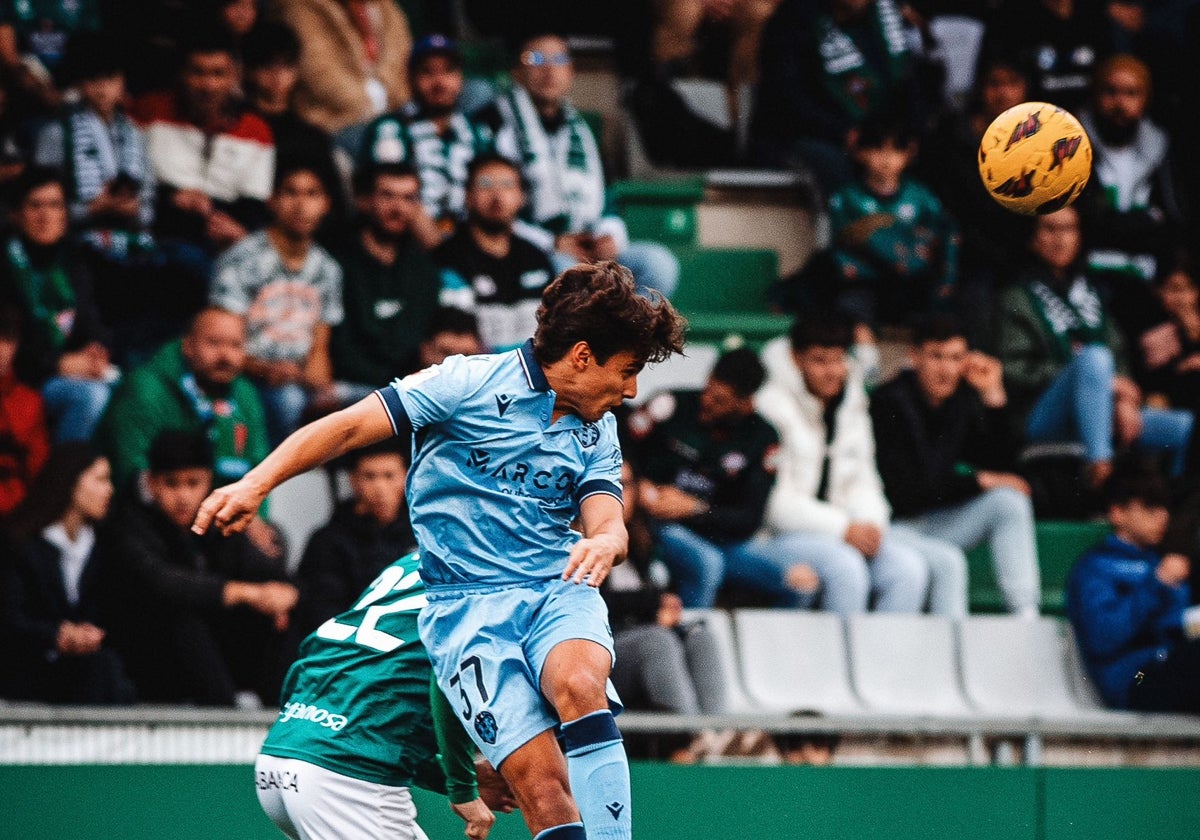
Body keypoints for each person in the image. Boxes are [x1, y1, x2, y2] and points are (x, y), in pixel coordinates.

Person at [194, 261, 688, 840]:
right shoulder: (464, 383)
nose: (631, 391)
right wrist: (257, 482)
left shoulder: (597, 427)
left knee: (579, 685)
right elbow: (349, 427)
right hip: (465, 608)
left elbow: (605, 512)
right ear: (582, 356)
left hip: (554, 588)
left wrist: (607, 538)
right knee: (542, 788)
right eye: (627, 372)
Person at [257, 549, 510, 840]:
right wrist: (462, 786)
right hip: (345, 778)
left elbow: (337, 669)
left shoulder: (419, 558)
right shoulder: (497, 570)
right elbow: (450, 676)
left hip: (285, 750)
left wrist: (453, 779)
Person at [755, 313, 955, 615]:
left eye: (837, 360)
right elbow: (774, 505)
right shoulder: (769, 405)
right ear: (796, 360)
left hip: (840, 532)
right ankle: (840, 662)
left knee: (907, 570)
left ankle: (884, 661)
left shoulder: (852, 402)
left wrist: (871, 525)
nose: (832, 372)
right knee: (845, 568)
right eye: (820, 361)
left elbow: (865, 481)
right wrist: (844, 528)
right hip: (775, 536)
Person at [996, 206, 1194, 487]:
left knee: (1185, 427)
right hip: (1040, 414)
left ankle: (1174, 510)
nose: (1060, 238)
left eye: (1069, 229)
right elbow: (1014, 371)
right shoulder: (1016, 297)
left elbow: (1119, 354)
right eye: (1051, 228)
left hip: (1101, 408)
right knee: (1094, 357)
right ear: (1032, 237)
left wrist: (1124, 398)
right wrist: (1097, 381)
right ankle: (1101, 471)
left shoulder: (1091, 292)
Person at [474, 34, 680, 299]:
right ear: (516, 73)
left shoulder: (583, 130)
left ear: (571, 73)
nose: (548, 69)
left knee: (658, 264)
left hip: (587, 242)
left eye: (558, 59)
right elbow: (492, 206)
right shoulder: (495, 124)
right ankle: (581, 340)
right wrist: (553, 242)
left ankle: (628, 339)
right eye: (536, 59)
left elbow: (608, 198)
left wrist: (608, 237)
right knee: (567, 272)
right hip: (533, 246)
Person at [107, 431, 297, 706]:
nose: (183, 496)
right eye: (172, 484)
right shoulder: (128, 524)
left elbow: (275, 577)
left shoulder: (218, 524)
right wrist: (244, 593)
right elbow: (163, 583)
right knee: (180, 616)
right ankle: (224, 717)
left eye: (193, 483)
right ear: (151, 483)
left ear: (208, 482)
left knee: (279, 622)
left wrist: (284, 596)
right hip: (147, 657)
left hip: (216, 654)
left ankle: (281, 715)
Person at [871, 314, 1041, 617]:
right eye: (936, 356)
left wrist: (993, 397)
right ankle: (953, 657)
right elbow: (903, 493)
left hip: (934, 522)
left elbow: (1004, 468)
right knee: (950, 561)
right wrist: (979, 482)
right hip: (893, 526)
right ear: (915, 356)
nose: (946, 369)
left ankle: (1024, 614)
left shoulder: (960, 400)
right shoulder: (888, 402)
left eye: (955, 358)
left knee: (1009, 502)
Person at [625, 348, 819, 609]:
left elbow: (750, 517)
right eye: (708, 390)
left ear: (746, 403)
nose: (707, 403)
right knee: (707, 564)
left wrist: (695, 508)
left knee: (800, 581)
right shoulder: (670, 405)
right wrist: (638, 483)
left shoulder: (762, 439)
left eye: (720, 401)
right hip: (660, 525)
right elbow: (622, 444)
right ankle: (691, 636)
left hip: (722, 537)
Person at [602, 460, 731, 763]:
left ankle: (714, 738)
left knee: (700, 635)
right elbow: (594, 602)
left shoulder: (644, 540)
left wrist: (665, 608)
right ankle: (688, 738)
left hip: (638, 641)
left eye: (626, 485)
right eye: (611, 484)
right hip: (602, 655)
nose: (619, 494)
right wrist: (651, 607)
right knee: (656, 641)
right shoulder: (578, 538)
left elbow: (657, 591)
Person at [210, 161, 343, 444]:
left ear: (326, 204)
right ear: (272, 200)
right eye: (290, 193)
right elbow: (217, 341)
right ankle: (281, 485)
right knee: (289, 401)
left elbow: (320, 347)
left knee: (370, 402)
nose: (300, 204)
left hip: (301, 380)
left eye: (312, 194)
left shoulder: (328, 269)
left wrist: (320, 383)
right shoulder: (243, 258)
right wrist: (266, 370)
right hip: (248, 379)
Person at [0, 444, 135, 704]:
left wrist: (88, 636)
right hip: (26, 671)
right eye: (101, 479)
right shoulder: (18, 544)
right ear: (71, 481)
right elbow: (8, 617)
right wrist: (57, 636)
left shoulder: (104, 546)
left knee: (107, 667)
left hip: (85, 672)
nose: (110, 489)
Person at [916, 55, 1035, 346]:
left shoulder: (1044, 137)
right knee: (977, 296)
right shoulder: (950, 138)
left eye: (1012, 83)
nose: (1003, 93)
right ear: (980, 87)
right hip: (965, 256)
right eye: (994, 83)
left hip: (1025, 254)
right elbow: (940, 208)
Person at [1067, 459, 1200, 712]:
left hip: (1171, 665)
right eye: (1150, 506)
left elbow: (1174, 626)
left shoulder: (1157, 563)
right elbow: (1104, 636)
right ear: (1117, 512)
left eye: (1164, 507)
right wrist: (1157, 584)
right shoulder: (1095, 568)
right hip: (1135, 678)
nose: (1163, 516)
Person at [94, 307, 270, 494]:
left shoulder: (245, 393)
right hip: (148, 512)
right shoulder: (145, 389)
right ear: (188, 346)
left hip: (219, 509)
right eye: (214, 343)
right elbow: (130, 472)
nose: (225, 355)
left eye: (236, 345)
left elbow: (259, 470)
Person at [748, 0, 921, 189]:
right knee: (835, 166)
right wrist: (843, 132)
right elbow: (787, 98)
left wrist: (909, 132)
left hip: (877, 135)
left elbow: (909, 86)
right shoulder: (793, 19)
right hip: (810, 135)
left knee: (933, 154)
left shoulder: (885, 17)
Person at [132, 27, 274, 255]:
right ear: (181, 73)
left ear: (235, 76)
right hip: (158, 235)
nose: (208, 86)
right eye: (197, 73)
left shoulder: (256, 131)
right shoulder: (150, 113)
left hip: (226, 244)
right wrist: (172, 199)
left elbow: (255, 209)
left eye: (218, 74)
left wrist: (238, 231)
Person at [0, 167, 114, 442]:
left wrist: (96, 349)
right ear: (15, 214)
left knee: (126, 389)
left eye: (55, 205)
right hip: (24, 378)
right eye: (35, 205)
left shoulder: (74, 260)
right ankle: (65, 479)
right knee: (91, 397)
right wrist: (57, 364)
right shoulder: (5, 265)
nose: (46, 215)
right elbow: (7, 344)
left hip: (66, 370)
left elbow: (91, 319)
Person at [1077, 54, 1184, 343]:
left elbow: (1174, 224)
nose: (1119, 104)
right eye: (1110, 92)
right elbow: (1088, 224)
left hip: (1148, 282)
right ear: (1095, 94)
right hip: (1088, 280)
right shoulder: (1072, 148)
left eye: (1131, 93)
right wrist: (1146, 221)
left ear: (1145, 99)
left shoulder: (1162, 151)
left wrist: (1117, 225)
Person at [826, 109, 958, 337]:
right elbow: (840, 248)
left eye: (896, 150)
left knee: (936, 316)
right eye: (877, 149)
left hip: (911, 283)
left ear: (909, 153)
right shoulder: (846, 198)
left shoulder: (922, 198)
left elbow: (939, 242)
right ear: (859, 152)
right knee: (850, 309)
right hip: (865, 283)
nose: (886, 159)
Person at [358, 34, 491, 244]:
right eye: (427, 72)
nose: (439, 82)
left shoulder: (479, 133)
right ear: (410, 78)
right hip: (407, 245)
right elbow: (388, 196)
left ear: (461, 77)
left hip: (473, 244)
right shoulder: (390, 129)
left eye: (448, 71)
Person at [330, 163, 442, 391]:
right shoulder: (338, 262)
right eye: (388, 196)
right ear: (365, 201)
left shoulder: (423, 267)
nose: (398, 208)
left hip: (407, 388)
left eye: (408, 198)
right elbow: (340, 349)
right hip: (351, 386)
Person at [293, 439, 416, 637]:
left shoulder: (423, 533)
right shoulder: (327, 541)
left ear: (406, 477)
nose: (380, 487)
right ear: (353, 480)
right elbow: (323, 614)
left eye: (389, 476)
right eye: (370, 476)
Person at [435, 154, 556, 352]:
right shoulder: (447, 259)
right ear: (467, 195)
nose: (497, 195)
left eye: (507, 185)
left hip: (535, 374)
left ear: (521, 197)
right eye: (485, 184)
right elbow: (452, 344)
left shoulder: (537, 258)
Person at [241, 21, 345, 234]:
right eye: (268, 65)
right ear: (249, 70)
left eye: (287, 65)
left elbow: (335, 207)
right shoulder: (236, 127)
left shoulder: (312, 138)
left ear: (297, 70)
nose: (277, 75)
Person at [276, 0, 413, 135]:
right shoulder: (302, 7)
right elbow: (318, 71)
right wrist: (370, 104)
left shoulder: (385, 7)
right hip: (336, 121)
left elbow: (402, 57)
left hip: (393, 113)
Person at [977, 0, 1115, 115]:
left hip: (1093, 121)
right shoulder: (1010, 16)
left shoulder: (1095, 13)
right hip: (1030, 121)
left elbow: (1112, 74)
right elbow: (999, 80)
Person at [0, 302, 48, 517]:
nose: (0, 348)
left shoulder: (29, 402)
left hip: (13, 514)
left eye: (7, 339)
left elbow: (36, 472)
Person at [418, 305, 486, 368]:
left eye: (466, 355)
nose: (456, 364)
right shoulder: (409, 380)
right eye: (447, 354)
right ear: (426, 350)